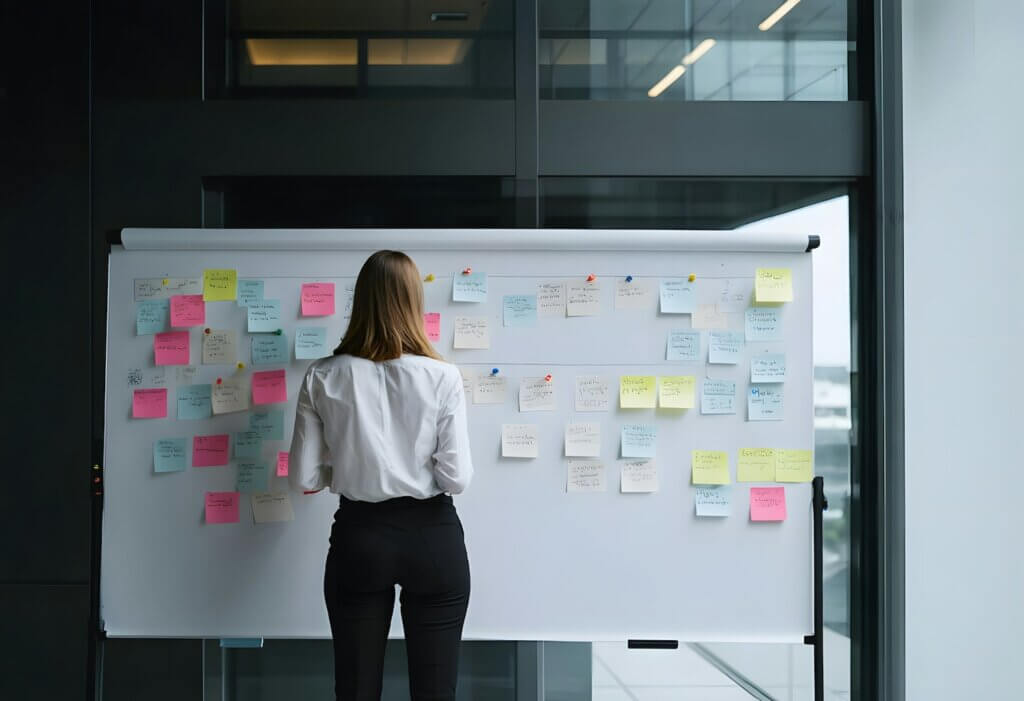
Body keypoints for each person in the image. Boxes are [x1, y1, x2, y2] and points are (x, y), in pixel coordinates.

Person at [288, 250, 473, 701]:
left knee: (354, 690)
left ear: (362, 301)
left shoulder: (323, 375)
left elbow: (305, 478)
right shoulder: (443, 376)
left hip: (359, 537)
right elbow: (456, 478)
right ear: (414, 301)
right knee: (435, 693)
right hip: (432, 538)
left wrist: (351, 466)